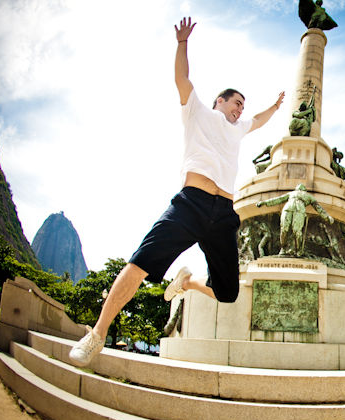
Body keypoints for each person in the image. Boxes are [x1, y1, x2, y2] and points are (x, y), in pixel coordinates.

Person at [69, 17, 285, 367]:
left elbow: (259, 121)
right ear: (220, 101)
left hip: (223, 214)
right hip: (191, 204)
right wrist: (182, 44)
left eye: (243, 106)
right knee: (140, 263)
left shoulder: (239, 129)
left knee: (226, 292)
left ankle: (186, 283)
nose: (241, 109)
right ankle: (96, 334)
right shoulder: (197, 111)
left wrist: (274, 108)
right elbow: (182, 80)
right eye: (236, 103)